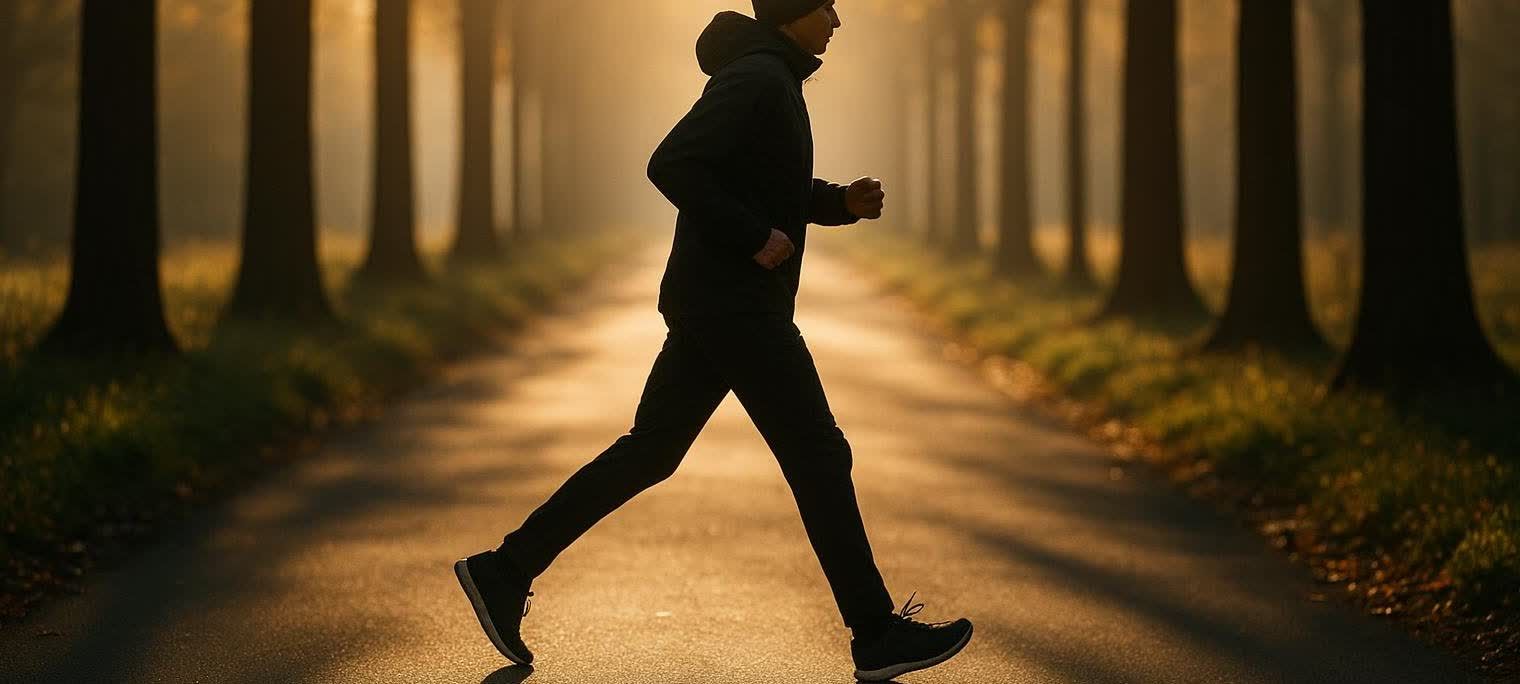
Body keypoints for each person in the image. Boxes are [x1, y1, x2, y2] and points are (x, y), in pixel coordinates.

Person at [455, 1, 973, 680]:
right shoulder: (758, 78)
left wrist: (836, 202)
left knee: (652, 451)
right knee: (818, 452)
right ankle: (875, 632)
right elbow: (673, 163)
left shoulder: (771, 77)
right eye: (828, 7)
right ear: (795, 12)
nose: (838, 21)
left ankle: (504, 569)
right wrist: (752, 238)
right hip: (737, 309)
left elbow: (758, 184)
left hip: (718, 304)